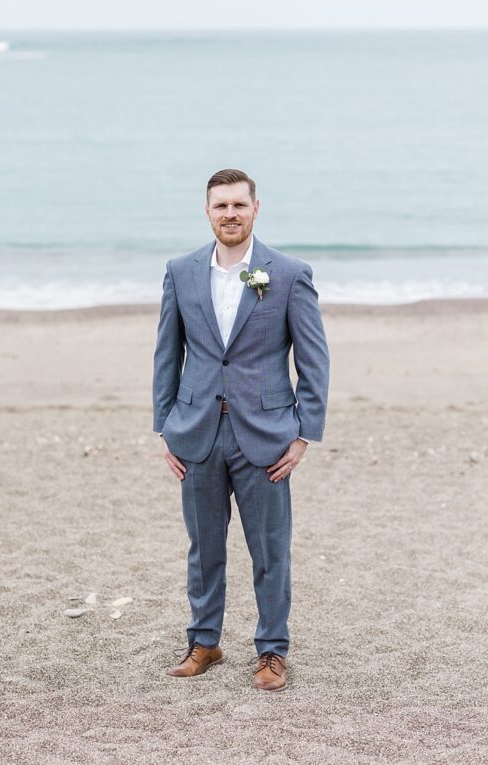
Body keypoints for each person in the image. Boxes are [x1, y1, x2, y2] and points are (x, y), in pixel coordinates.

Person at [152, 169, 329, 691]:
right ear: (207, 212)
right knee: (203, 547)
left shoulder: (290, 273)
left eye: (239, 205)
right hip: (197, 433)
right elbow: (168, 352)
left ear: (256, 209)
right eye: (220, 206)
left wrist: (302, 435)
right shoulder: (180, 271)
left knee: (269, 549)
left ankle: (272, 651)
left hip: (267, 437)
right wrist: (165, 427)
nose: (230, 214)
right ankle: (204, 641)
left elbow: (313, 359)